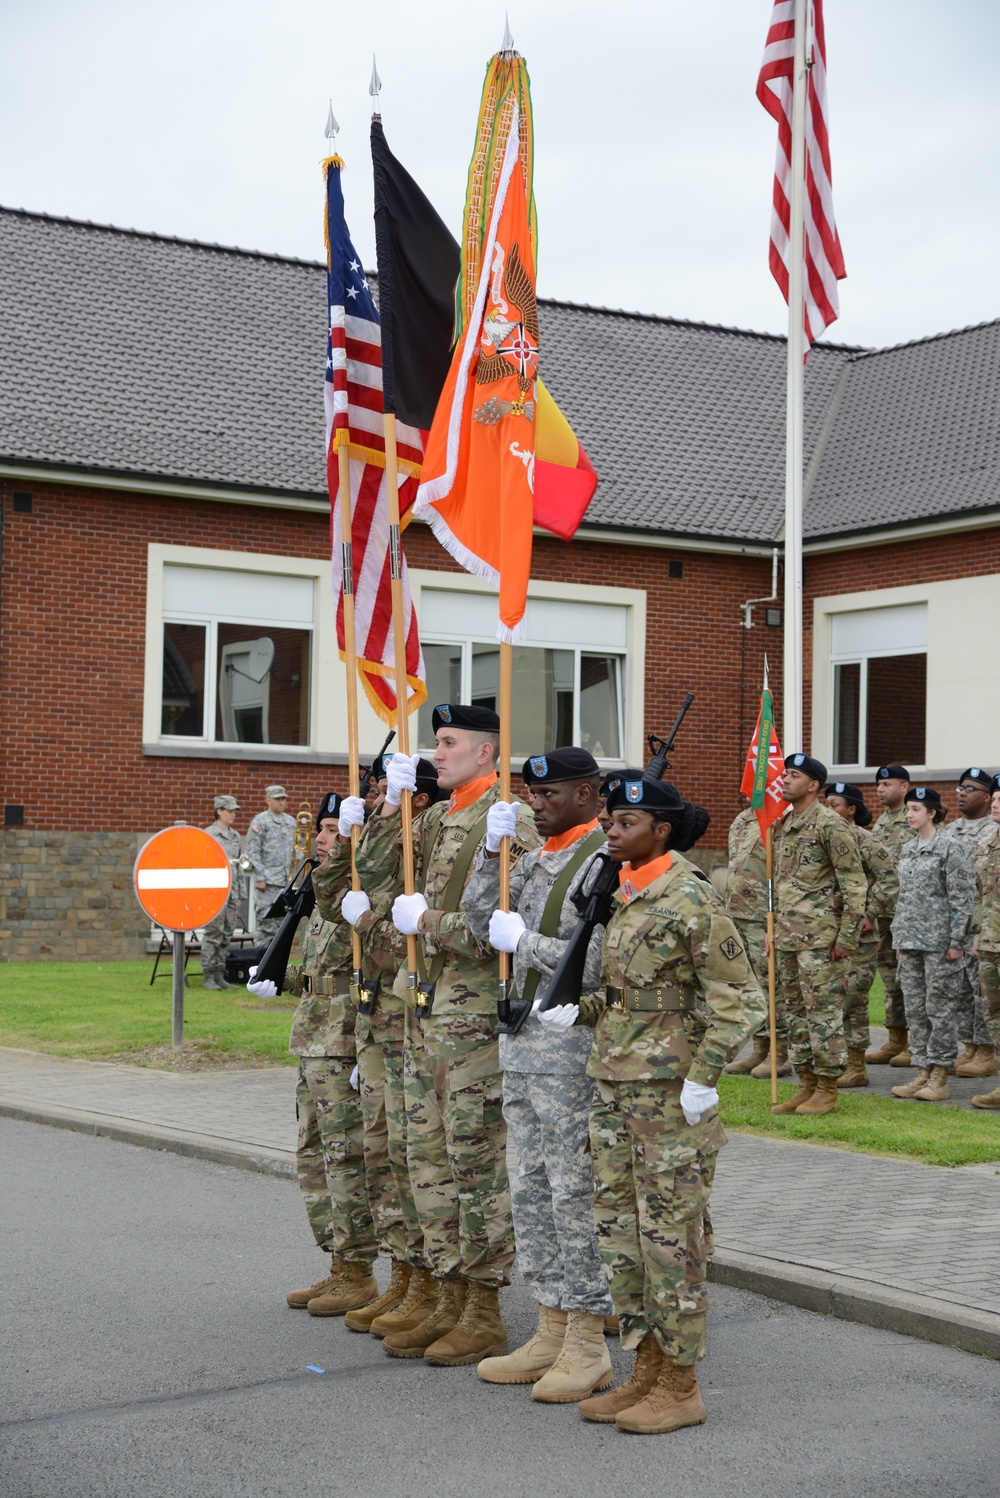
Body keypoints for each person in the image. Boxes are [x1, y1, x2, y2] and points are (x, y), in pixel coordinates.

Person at [537, 773, 764, 1434]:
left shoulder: (691, 899)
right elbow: (632, 996)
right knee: (623, 1238)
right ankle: (646, 1373)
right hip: (614, 1087)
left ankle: (683, 1385)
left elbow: (740, 1001)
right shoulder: (627, 895)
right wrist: (577, 1014)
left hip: (669, 1100)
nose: (610, 830)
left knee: (672, 1243)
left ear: (660, 830)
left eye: (624, 822)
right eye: (608, 821)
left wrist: (706, 1075)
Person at [353, 703, 538, 1367]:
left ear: (486, 752)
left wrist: (427, 922)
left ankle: (483, 1309)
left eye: (450, 742)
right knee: (423, 1157)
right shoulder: (440, 814)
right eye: (437, 741)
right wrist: (385, 811)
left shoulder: (509, 818)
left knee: (472, 1161)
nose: (440, 750)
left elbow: (504, 928)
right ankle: (444, 1291)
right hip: (423, 1012)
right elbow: (372, 878)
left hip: (473, 1016)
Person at [463, 747, 616, 1403]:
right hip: (522, 1048)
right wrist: (486, 854)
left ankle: (588, 1338)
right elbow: (479, 921)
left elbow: (597, 962)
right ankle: (550, 1323)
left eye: (550, 794)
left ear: (586, 794)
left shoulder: (606, 859)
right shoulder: (535, 858)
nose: (537, 803)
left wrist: (519, 940)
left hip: (570, 1050)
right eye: (530, 794)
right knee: (528, 1189)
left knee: (570, 1192)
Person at [325, 757, 448, 1335]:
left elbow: (395, 918)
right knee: (382, 1150)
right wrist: (359, 831)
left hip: (411, 1009)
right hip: (378, 1009)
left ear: (419, 801)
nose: (380, 799)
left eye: (391, 794)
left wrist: (390, 822)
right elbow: (336, 900)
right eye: (377, 793)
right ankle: (403, 1274)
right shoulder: (388, 831)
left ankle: (429, 1281)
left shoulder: (430, 836)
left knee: (414, 1154)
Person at [250, 792, 379, 1316]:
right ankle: (339, 1266)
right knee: (313, 1156)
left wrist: (365, 1050)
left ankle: (361, 1270)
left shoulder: (365, 893)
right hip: (313, 1039)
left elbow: (378, 975)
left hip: (345, 1043)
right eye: (322, 828)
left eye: (332, 829)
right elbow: (322, 973)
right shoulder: (324, 889)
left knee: (347, 1158)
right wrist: (279, 976)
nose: (323, 838)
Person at [770, 753, 867, 1117]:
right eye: (785, 774)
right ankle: (806, 1083)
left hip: (821, 940)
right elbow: (781, 884)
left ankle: (828, 1089)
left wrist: (847, 937)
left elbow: (854, 884)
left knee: (823, 1014)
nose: (784, 780)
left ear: (813, 785)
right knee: (794, 1013)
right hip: (789, 938)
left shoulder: (830, 824)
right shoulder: (784, 823)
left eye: (793, 775)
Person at [890, 788, 973, 1103]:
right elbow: (905, 898)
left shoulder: (950, 847)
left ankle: (939, 1075)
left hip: (940, 943)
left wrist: (957, 941)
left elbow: (961, 898)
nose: (909, 814)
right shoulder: (908, 848)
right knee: (915, 1008)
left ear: (932, 812)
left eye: (915, 809)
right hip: (910, 941)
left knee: (941, 1009)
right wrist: (900, 937)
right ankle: (922, 1069)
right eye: (908, 809)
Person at [823, 782, 897, 1088]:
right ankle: (835, 1060)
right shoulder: (821, 838)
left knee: (853, 995)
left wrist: (871, 912)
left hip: (859, 934)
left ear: (851, 810)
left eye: (835, 805)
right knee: (828, 996)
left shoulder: (865, 840)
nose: (829, 810)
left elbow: (890, 876)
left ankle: (856, 1064)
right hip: (826, 931)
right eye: (826, 804)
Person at [723, 798, 788, 1078]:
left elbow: (785, 872)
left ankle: (780, 1053)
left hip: (764, 915)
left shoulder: (781, 819)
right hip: (737, 913)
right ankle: (760, 1048)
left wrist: (779, 918)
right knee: (749, 987)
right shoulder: (742, 820)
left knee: (771, 985)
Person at [943, 768, 999, 1080]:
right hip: (962, 922)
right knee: (964, 989)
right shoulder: (951, 831)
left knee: (986, 992)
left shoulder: (994, 830)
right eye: (960, 787)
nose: (962, 792)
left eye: (971, 788)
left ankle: (986, 1048)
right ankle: (971, 1046)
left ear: (986, 795)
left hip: (989, 925)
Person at [865, 766, 914, 1067]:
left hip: (905, 913)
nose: (881, 789)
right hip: (882, 913)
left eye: (887, 784)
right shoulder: (881, 821)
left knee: (909, 979)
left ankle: (914, 1041)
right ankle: (895, 1039)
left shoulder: (914, 817)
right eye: (879, 784)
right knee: (889, 978)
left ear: (905, 786)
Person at [971, 777, 1000, 1109]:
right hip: (990, 944)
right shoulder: (987, 845)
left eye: (999, 799)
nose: (993, 804)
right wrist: (979, 935)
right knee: (993, 1013)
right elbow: (980, 897)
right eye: (993, 798)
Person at [244, 785, 296, 945]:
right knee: (266, 928)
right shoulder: (260, 821)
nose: (282, 802)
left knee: (282, 928)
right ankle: (259, 964)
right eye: (277, 799)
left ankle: (276, 968)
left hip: (285, 883)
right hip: (267, 883)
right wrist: (260, 878)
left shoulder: (291, 821)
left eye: (284, 798)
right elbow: (252, 851)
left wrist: (297, 858)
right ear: (268, 800)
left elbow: (298, 846)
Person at [201, 794, 242, 989]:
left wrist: (240, 893)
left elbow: (238, 866)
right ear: (219, 811)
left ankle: (220, 975)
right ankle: (208, 976)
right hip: (214, 893)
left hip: (232, 893)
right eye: (230, 810)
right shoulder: (208, 835)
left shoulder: (235, 836)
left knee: (226, 934)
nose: (234, 814)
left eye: (235, 811)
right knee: (213, 934)